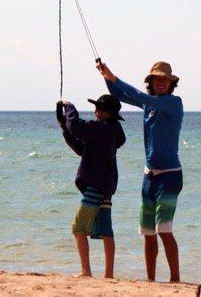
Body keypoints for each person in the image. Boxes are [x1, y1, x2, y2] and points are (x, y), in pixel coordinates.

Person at [96, 61, 183, 283]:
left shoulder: (174, 103)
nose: (161, 82)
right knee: (148, 233)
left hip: (170, 175)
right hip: (149, 176)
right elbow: (118, 93)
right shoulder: (148, 105)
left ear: (171, 83)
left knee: (164, 230)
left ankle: (175, 280)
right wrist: (106, 76)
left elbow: (139, 96)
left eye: (165, 79)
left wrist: (115, 77)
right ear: (151, 82)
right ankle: (151, 281)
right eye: (157, 79)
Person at [56, 95, 126, 278]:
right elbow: (81, 148)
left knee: (78, 228)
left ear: (104, 112)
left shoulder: (102, 128)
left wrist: (69, 107)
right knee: (106, 231)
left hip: (95, 186)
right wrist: (64, 127)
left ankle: (86, 271)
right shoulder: (111, 130)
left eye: (97, 109)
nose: (95, 112)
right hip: (106, 187)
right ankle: (109, 275)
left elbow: (77, 127)